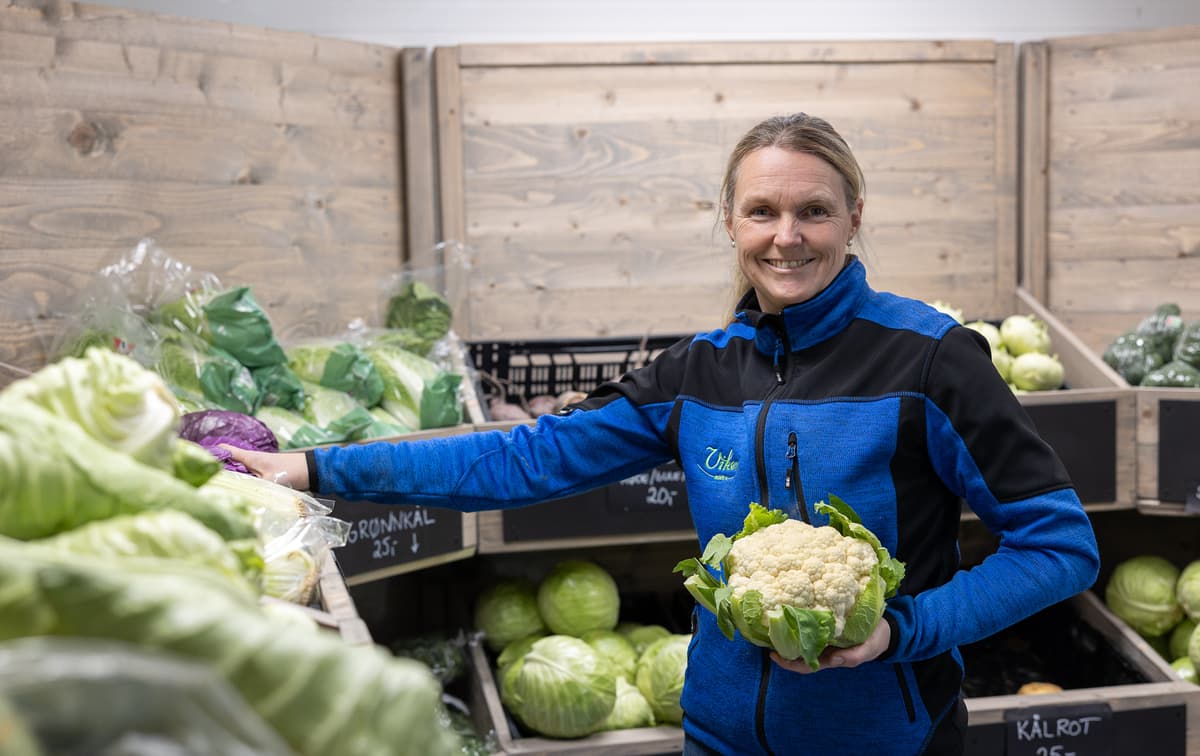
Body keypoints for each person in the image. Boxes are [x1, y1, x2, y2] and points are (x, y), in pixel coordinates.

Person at [227, 112, 1100, 756]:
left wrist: (900, 630)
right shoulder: (699, 371)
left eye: (814, 212)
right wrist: (310, 465)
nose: (786, 237)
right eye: (762, 212)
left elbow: (1060, 546)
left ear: (855, 214)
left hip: (887, 740)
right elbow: (519, 459)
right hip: (717, 738)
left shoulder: (932, 360)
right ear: (729, 221)